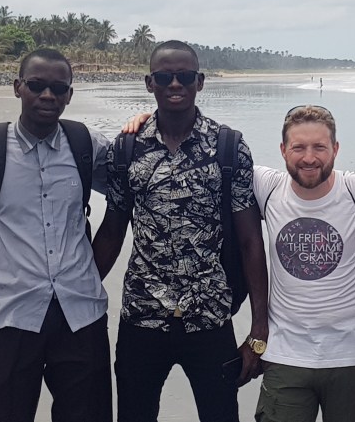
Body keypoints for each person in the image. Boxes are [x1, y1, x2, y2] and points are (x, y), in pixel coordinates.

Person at [121, 105, 355, 422]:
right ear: (282, 150)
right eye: (298, 147)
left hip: (353, 355)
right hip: (285, 354)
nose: (309, 158)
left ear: (335, 148)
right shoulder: (265, 185)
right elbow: (198, 158)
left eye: (319, 147)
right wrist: (153, 120)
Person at [92, 40, 270, 422]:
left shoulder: (228, 147)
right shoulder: (125, 149)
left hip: (209, 316)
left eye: (185, 76)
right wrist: (79, 297)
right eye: (164, 77)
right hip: (142, 315)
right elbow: (111, 232)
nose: (175, 84)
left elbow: (250, 240)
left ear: (199, 82)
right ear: (149, 83)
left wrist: (259, 326)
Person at [0, 48, 112, 422]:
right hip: (11, 315)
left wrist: (145, 124)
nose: (47, 95)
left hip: (81, 314)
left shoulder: (87, 146)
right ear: (17, 87)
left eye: (59, 88)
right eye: (36, 85)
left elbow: (137, 180)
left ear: (70, 94)